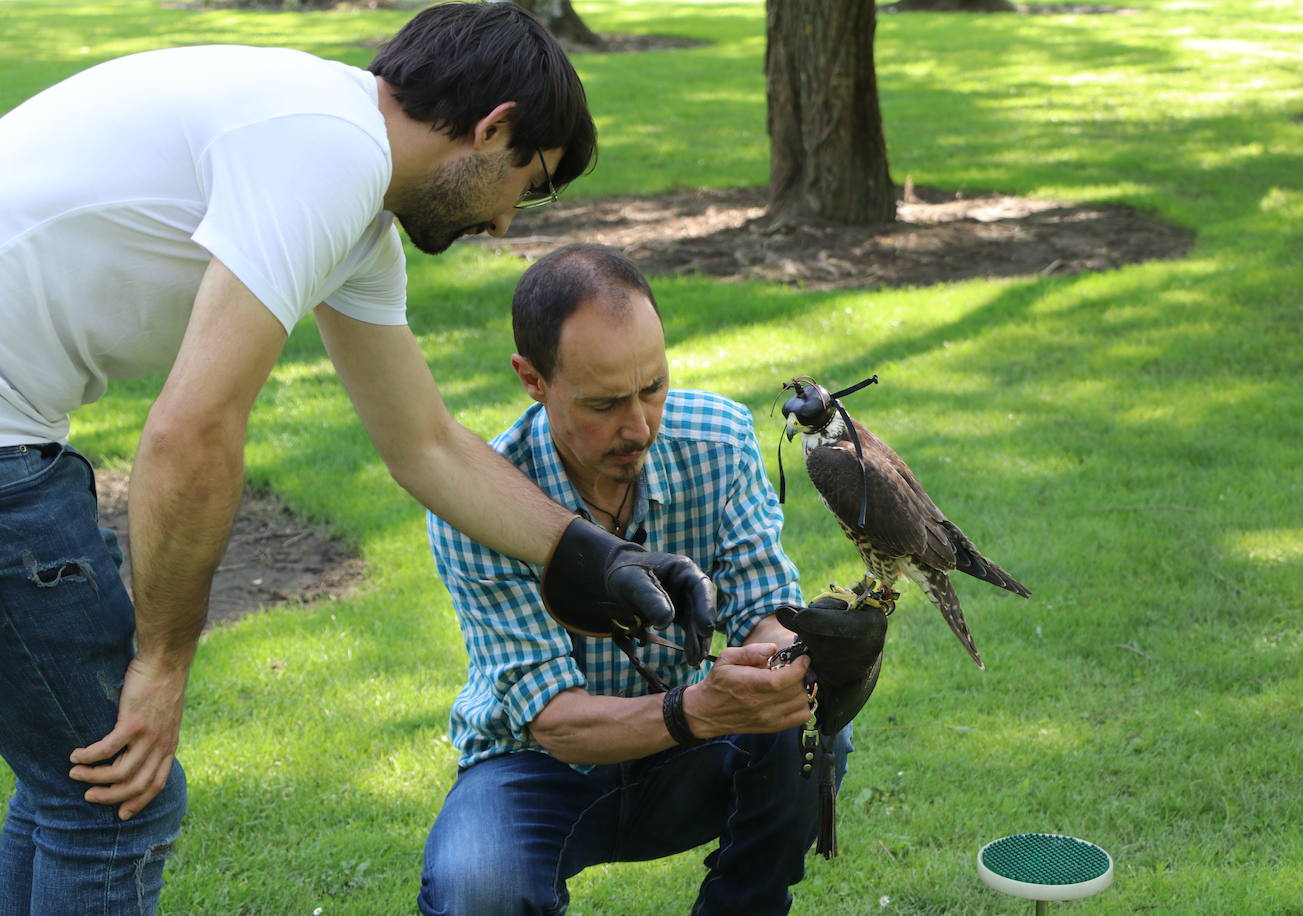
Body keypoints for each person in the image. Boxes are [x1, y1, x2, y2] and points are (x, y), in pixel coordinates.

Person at [0, 6, 713, 913]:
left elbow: (423, 444)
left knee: (70, 777)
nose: (503, 225)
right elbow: (192, 431)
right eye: (525, 185)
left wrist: (599, 557)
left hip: (21, 434)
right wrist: (163, 659)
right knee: (113, 799)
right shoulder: (326, 154)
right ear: (494, 127)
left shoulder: (347, 191)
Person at [420, 244, 856, 916]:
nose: (640, 425)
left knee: (806, 722)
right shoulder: (477, 499)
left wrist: (781, 659)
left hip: (691, 755)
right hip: (536, 768)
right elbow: (557, 723)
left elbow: (769, 605)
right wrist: (699, 708)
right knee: (482, 887)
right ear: (532, 379)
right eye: (603, 404)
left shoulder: (718, 439)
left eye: (653, 386)